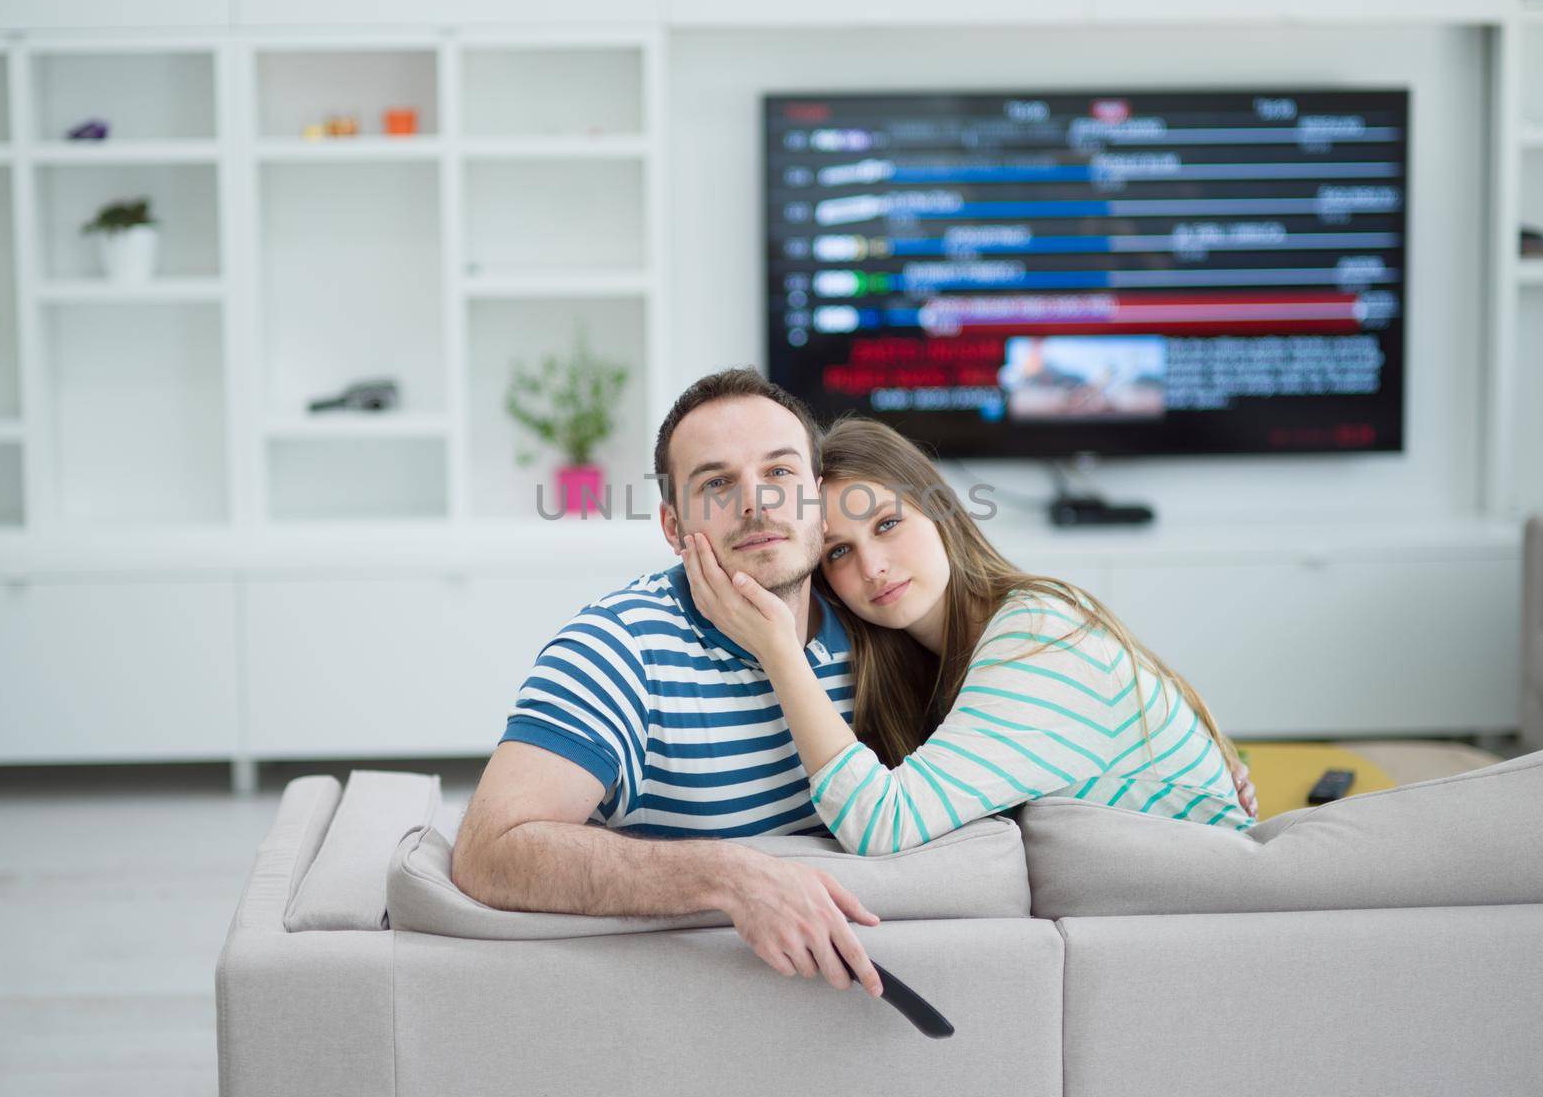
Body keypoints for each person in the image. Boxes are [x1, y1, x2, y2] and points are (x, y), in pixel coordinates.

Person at [451, 367, 888, 1000]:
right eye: (717, 483)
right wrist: (727, 874)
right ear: (672, 527)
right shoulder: (618, 647)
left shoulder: (878, 621)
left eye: (780, 472)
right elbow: (487, 850)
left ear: (820, 499)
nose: (756, 502)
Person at [677, 412, 1258, 857]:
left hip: (1208, 912)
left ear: (943, 512)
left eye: (887, 523)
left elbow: (882, 823)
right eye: (839, 552)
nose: (873, 566)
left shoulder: (1037, 637)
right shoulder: (923, 664)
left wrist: (778, 649)